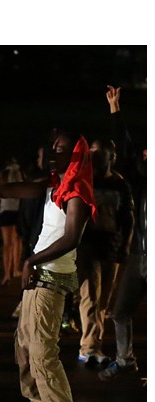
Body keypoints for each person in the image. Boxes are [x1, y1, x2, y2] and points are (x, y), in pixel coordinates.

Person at [0, 129, 94, 402]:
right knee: (23, 347)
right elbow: (0, 187)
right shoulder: (52, 186)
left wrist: (30, 261)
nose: (53, 150)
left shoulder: (77, 190)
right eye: (51, 145)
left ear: (76, 155)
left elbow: (72, 238)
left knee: (42, 353)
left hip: (50, 276)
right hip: (38, 274)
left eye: (61, 147)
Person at [98, 85, 146, 381]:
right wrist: (115, 109)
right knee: (120, 311)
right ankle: (125, 359)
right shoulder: (142, 183)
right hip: (141, 257)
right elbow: (126, 152)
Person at [76, 136, 134, 365]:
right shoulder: (84, 180)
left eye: (101, 153)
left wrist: (126, 245)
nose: (96, 157)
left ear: (112, 156)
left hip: (111, 246)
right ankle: (88, 347)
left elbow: (127, 218)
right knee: (89, 296)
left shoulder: (120, 184)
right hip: (87, 245)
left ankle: (94, 345)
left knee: (103, 301)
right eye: (93, 152)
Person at [0, 158, 24, 285]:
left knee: (7, 243)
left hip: (6, 210)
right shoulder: (20, 173)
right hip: (17, 209)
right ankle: (15, 270)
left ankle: (7, 274)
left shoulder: (3, 174)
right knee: (17, 241)